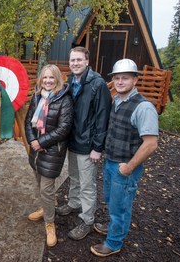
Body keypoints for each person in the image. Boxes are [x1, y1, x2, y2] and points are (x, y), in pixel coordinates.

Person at [91, 59, 158, 257]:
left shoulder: (143, 107)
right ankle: (114, 227)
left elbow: (151, 143)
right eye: (117, 78)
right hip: (111, 162)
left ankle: (114, 242)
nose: (120, 82)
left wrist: (129, 167)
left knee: (120, 205)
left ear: (135, 80)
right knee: (112, 200)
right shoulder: (117, 101)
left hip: (125, 166)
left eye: (125, 78)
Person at [56, 46, 111, 240]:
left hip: (88, 145)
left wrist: (98, 147)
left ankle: (87, 220)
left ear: (87, 61)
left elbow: (103, 117)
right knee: (74, 176)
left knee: (87, 184)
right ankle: (73, 203)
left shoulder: (97, 84)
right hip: (73, 140)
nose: (75, 63)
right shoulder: (71, 81)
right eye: (72, 60)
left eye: (79, 60)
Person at [25, 64, 74, 247]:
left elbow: (64, 129)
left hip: (52, 151)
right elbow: (28, 121)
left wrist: (41, 142)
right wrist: (32, 141)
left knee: (46, 188)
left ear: (57, 79)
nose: (47, 81)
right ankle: (45, 209)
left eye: (51, 78)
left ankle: (50, 223)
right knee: (39, 184)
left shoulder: (64, 100)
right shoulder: (37, 97)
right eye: (44, 78)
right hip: (36, 151)